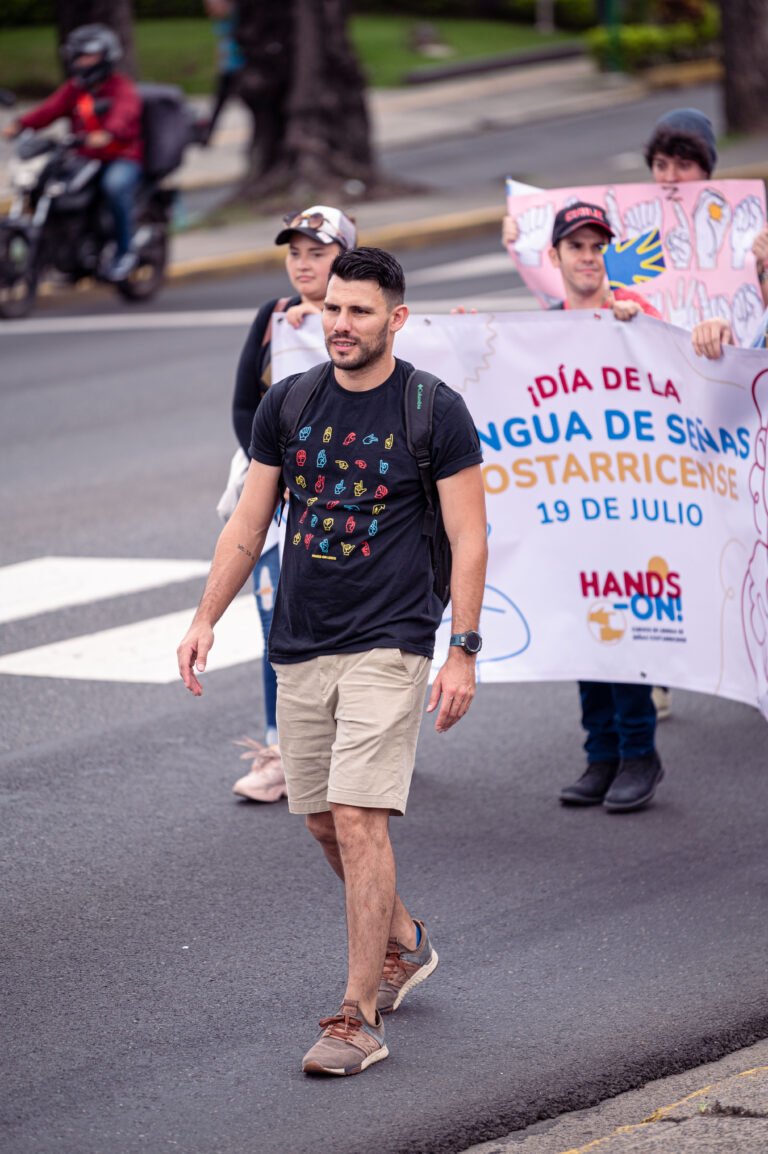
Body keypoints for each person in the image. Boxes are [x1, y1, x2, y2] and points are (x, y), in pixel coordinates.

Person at [177, 246, 488, 1075]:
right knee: (320, 819)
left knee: (357, 816)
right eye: (333, 309)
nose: (341, 324)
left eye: (359, 310)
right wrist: (206, 617)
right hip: (301, 638)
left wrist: (461, 649)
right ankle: (404, 939)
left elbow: (469, 535)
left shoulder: (433, 409)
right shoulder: (290, 401)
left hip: (392, 637)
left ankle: (357, 1017)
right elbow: (250, 522)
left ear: (396, 318)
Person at [230, 205, 358, 804]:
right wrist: (272, 470)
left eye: (319, 253)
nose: (304, 265)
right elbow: (243, 406)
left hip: (351, 502)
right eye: (295, 253)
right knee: (276, 619)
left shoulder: (365, 323)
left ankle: (356, 743)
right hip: (279, 495)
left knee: (353, 624)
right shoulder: (274, 318)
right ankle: (281, 750)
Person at [541, 203, 665, 813]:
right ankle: (602, 754)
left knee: (625, 625)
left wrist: (642, 329)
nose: (588, 257)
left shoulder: (635, 318)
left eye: (597, 247)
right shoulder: (538, 330)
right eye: (577, 246)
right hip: (570, 506)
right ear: (555, 256)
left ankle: (640, 751)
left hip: (629, 506)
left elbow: (682, 371)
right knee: (585, 628)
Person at [2, 24, 143, 282]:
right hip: (84, 157)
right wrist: (20, 124)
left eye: (89, 56)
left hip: (120, 157)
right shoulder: (76, 89)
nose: (83, 62)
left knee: (114, 188)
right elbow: (49, 110)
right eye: (79, 57)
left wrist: (108, 133)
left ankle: (124, 251)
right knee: (51, 186)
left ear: (106, 57)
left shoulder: (120, 88)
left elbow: (124, 114)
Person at [200, 0, 245, 147]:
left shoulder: (238, 17)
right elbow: (222, 46)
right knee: (218, 102)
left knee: (251, 103)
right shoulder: (220, 22)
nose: (210, 11)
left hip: (240, 68)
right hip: (227, 69)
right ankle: (207, 134)